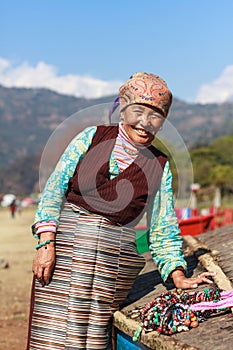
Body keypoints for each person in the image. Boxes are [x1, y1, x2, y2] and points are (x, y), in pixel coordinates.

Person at [27, 72, 215, 349]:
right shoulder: (91, 138)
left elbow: (163, 228)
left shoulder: (159, 167)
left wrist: (177, 274)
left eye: (156, 116)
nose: (145, 122)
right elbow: (54, 191)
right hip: (62, 259)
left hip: (109, 269)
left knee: (93, 339)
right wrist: (45, 244)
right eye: (138, 111)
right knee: (50, 338)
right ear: (123, 109)